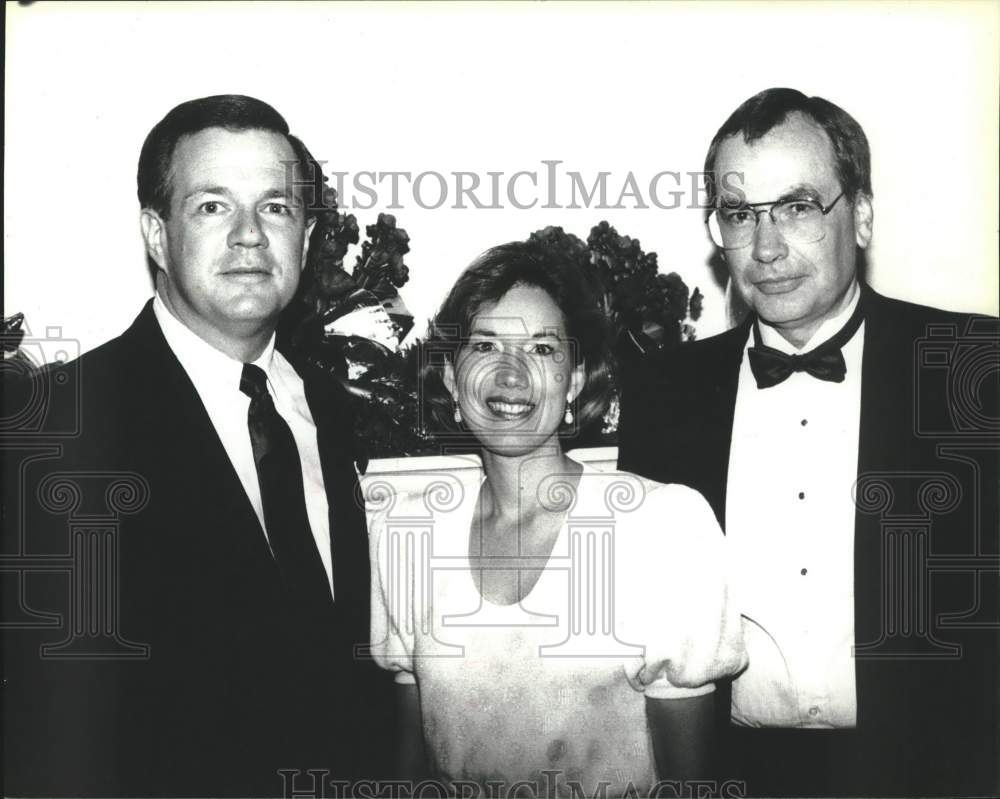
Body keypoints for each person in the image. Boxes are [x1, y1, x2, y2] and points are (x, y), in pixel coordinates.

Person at [1, 95, 389, 796]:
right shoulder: (60, 427)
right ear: (156, 233)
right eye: (212, 206)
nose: (249, 235)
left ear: (304, 237)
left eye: (275, 207)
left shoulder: (326, 409)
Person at [618, 87, 1000, 796]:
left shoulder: (974, 369)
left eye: (797, 207)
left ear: (861, 215)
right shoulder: (662, 394)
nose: (766, 248)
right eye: (739, 214)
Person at [367, 242, 746, 797]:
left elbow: (690, 785)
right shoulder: (407, 534)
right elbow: (409, 773)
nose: (511, 375)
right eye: (485, 344)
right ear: (450, 376)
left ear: (574, 380)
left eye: (542, 349)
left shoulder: (661, 527)